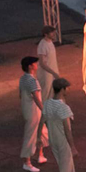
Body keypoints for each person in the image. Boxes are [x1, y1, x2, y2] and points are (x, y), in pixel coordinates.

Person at [43, 78, 78, 172]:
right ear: (62, 89)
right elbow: (67, 129)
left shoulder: (47, 103)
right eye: (66, 88)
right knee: (65, 167)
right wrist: (73, 147)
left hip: (53, 138)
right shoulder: (63, 107)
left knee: (66, 165)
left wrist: (40, 138)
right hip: (62, 139)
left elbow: (43, 119)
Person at [18, 56, 45, 172]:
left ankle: (40, 154)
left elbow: (20, 95)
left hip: (27, 109)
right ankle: (27, 163)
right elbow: (36, 98)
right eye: (35, 63)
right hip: (33, 111)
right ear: (30, 66)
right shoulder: (32, 81)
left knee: (42, 131)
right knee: (31, 135)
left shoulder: (23, 78)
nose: (37, 65)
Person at [36, 26, 58, 155]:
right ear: (46, 34)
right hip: (46, 75)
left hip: (52, 74)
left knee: (51, 95)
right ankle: (44, 121)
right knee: (45, 97)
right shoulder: (42, 45)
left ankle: (50, 118)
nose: (54, 34)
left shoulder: (50, 43)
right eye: (52, 32)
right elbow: (43, 63)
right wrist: (53, 72)